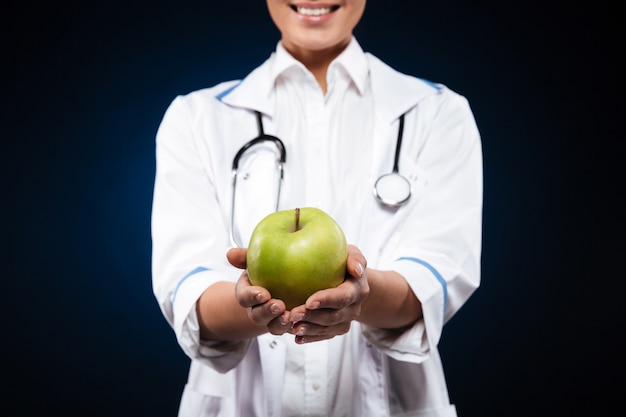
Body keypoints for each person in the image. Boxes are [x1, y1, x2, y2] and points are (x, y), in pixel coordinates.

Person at [151, 1, 483, 416]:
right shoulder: (197, 119)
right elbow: (187, 288)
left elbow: (435, 280)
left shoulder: (436, 114)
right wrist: (249, 307)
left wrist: (360, 297)